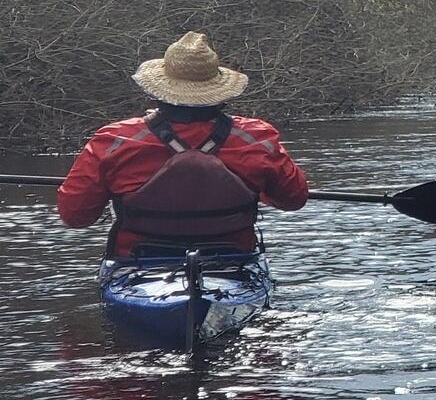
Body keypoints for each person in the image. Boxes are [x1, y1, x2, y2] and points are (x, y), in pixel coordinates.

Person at [57, 32, 310, 259]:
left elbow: (75, 216)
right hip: (232, 262)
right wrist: (254, 186)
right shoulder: (258, 138)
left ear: (157, 91)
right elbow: (293, 199)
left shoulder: (114, 140)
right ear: (218, 91)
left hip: (138, 263)